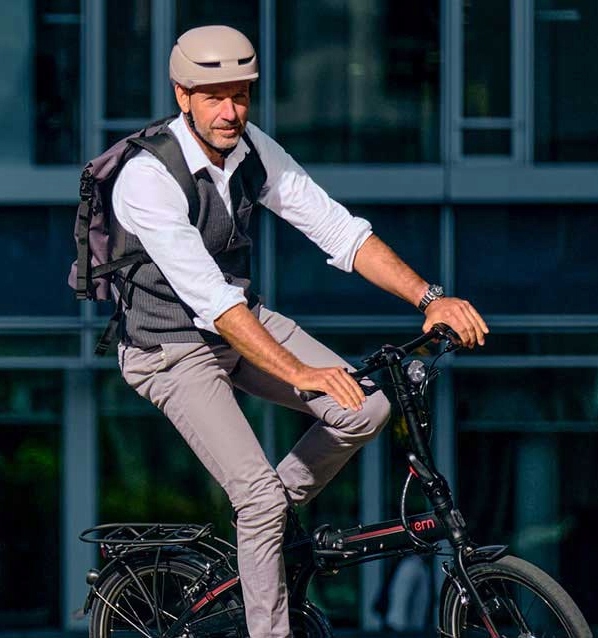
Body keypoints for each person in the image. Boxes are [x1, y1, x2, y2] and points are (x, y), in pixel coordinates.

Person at [110, 25, 488, 638]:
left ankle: (262, 522)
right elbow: (211, 302)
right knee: (258, 497)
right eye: (215, 98)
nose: (231, 112)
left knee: (365, 407)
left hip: (239, 323)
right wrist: (303, 373)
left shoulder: (251, 149)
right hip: (169, 350)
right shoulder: (148, 178)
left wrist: (430, 298)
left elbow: (338, 230)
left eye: (241, 96)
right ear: (182, 95)